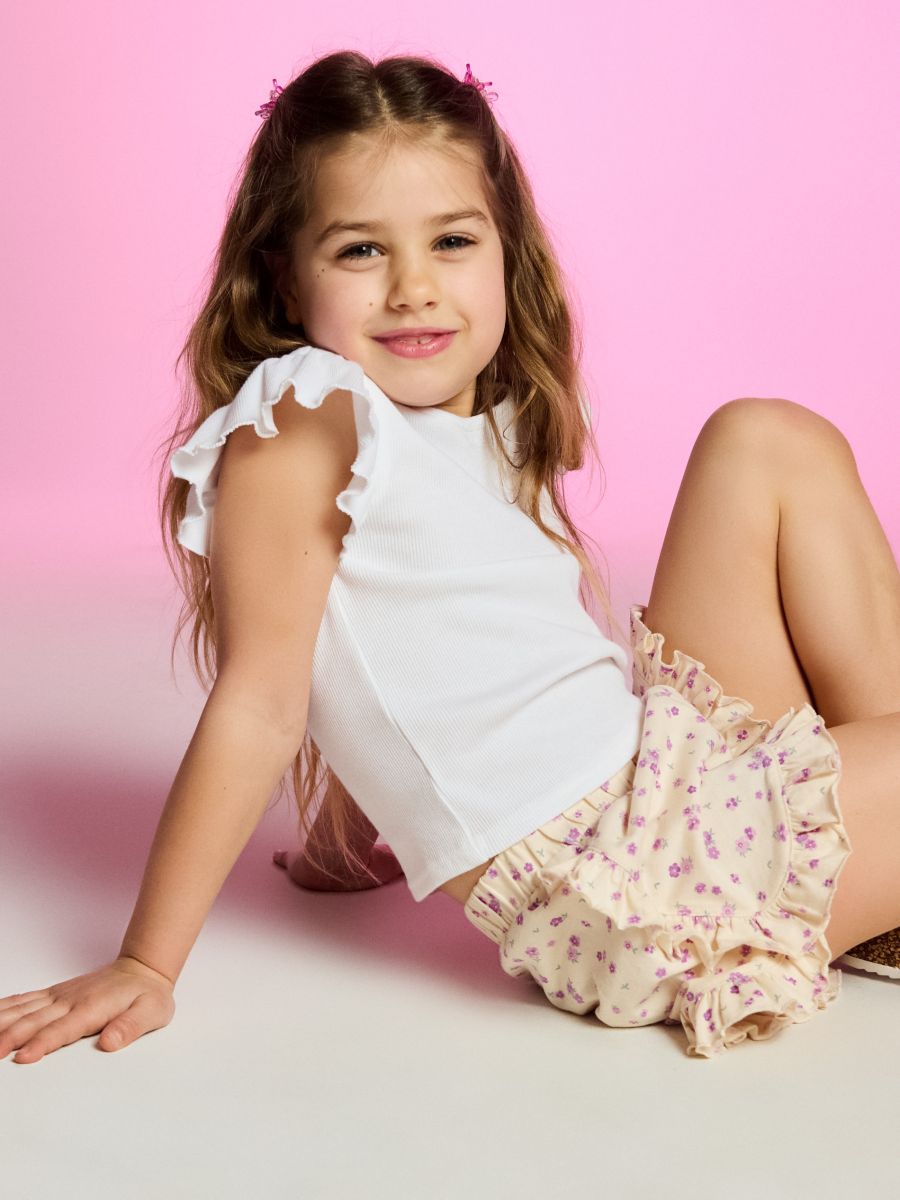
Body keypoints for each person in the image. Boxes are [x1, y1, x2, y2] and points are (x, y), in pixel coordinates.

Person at [2, 51, 898, 1067]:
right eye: (360, 251)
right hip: (637, 880)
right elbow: (264, 697)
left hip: (664, 783)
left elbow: (397, 646)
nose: (414, 288)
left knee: (763, 439)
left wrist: (345, 840)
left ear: (505, 250)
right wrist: (145, 964)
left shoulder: (447, 423)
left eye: (452, 240)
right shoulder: (306, 417)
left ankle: (880, 886)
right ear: (285, 277)